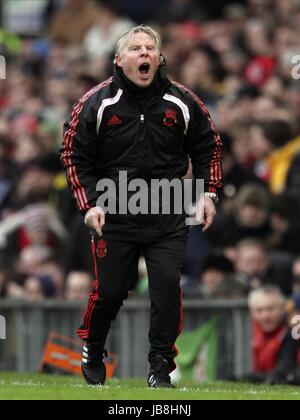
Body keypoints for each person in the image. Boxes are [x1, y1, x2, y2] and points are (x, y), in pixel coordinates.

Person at [60, 25, 222, 388]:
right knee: (111, 290)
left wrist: (209, 193)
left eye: (150, 48)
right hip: (114, 209)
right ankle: (94, 345)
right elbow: (73, 154)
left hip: (167, 207)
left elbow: (209, 144)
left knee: (166, 286)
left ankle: (160, 366)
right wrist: (89, 205)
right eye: (135, 48)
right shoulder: (96, 102)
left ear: (159, 58)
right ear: (119, 59)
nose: (144, 53)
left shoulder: (182, 101)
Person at [239, 286, 300, 385]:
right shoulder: (244, 333)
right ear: (252, 312)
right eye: (259, 310)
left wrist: (245, 377)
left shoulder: (289, 335)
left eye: (270, 309)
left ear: (282, 309)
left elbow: (283, 374)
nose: (265, 316)